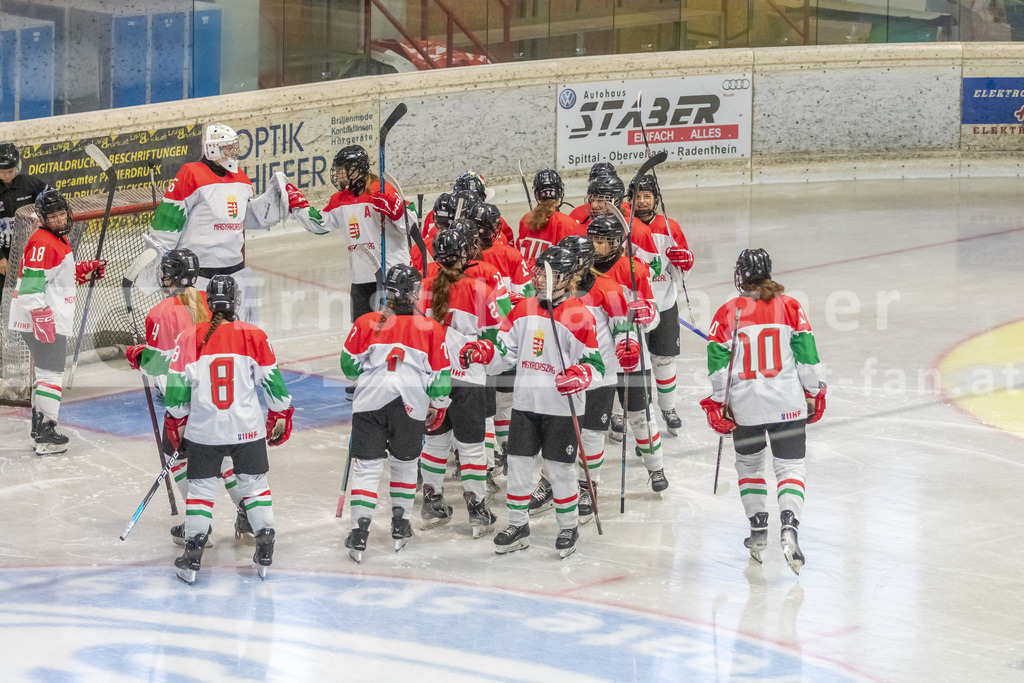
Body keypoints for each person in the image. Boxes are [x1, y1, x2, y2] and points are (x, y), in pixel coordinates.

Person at [461, 246, 604, 559]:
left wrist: (581, 374)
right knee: (519, 467)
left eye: (548, 272)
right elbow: (504, 354)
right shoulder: (522, 308)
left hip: (561, 409)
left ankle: (568, 526)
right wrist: (487, 354)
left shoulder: (579, 316)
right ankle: (518, 525)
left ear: (569, 277)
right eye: (538, 270)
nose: (539, 277)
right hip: (525, 404)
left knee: (560, 470)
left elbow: (596, 364)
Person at [700, 248, 826, 575]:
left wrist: (719, 401)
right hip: (787, 402)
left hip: (746, 406)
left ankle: (758, 528)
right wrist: (814, 391)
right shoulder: (790, 307)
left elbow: (718, 370)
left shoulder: (728, 312)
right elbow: (808, 359)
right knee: (790, 467)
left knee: (750, 465)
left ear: (740, 275)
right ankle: (789, 526)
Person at [164, 274, 294, 584]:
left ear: (208, 303)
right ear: (236, 303)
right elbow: (275, 388)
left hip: (204, 430)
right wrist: (280, 415)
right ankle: (264, 544)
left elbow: (175, 398)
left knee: (200, 492)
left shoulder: (188, 338)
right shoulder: (254, 335)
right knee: (255, 486)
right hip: (247, 429)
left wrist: (178, 422)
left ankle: (193, 554)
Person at [124, 248, 253, 545]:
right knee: (221, 456)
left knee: (177, 458)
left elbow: (158, 363)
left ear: (169, 275)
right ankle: (247, 511)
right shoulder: (212, 302)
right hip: (220, 395)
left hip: (183, 398)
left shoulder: (160, 312)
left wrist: (137, 355)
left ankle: (198, 527)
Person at [339, 264, 452, 562]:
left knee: (366, 468)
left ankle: (360, 529)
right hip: (411, 403)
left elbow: (348, 368)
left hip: (370, 402)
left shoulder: (366, 322)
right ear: (415, 293)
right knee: (404, 465)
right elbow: (441, 382)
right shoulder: (431, 327)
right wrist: (438, 408)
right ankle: (400, 525)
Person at [148, 123, 308, 323]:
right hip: (199, 275)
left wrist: (274, 205)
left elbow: (243, 217)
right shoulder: (191, 174)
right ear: (212, 148)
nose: (233, 152)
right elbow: (168, 220)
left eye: (234, 146)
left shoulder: (240, 178)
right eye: (228, 147)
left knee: (234, 335)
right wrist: (162, 265)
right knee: (200, 337)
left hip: (235, 272)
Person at [418, 229, 503, 537]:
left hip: (432, 380)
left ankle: (432, 505)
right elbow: (495, 338)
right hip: (468, 379)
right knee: (472, 448)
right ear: (466, 256)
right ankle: (478, 511)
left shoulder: (423, 288)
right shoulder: (480, 290)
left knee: (436, 444)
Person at [7, 189, 105, 455]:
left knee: (45, 374)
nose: (60, 219)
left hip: (45, 315)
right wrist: (41, 316)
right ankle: (46, 435)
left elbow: (55, 279)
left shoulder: (54, 239)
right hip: (42, 318)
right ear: (43, 218)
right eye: (53, 216)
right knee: (51, 374)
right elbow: (31, 287)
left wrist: (82, 271)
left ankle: (39, 431)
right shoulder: (43, 242)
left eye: (62, 213)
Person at [588, 215, 668, 491]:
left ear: (617, 242)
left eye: (603, 240)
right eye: (594, 239)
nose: (597, 245)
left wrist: (648, 316)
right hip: (596, 360)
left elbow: (652, 314)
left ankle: (655, 467)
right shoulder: (582, 271)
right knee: (591, 424)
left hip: (632, 355)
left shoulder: (634, 270)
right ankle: (586, 480)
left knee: (640, 415)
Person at [298, 144, 409, 322]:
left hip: (391, 274)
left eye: (342, 169)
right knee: (361, 332)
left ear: (356, 169)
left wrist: (397, 210)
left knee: (395, 331)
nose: (338, 174)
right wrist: (297, 207)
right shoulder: (339, 200)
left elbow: (409, 225)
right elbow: (318, 223)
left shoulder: (382, 189)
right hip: (361, 277)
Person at [628, 174, 694, 435]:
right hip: (634, 308)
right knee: (631, 364)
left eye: (647, 196)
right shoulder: (624, 226)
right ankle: (630, 415)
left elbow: (681, 271)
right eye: (637, 196)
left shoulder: (671, 227)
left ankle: (668, 407)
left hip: (664, 303)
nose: (642, 201)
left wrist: (685, 262)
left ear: (656, 199)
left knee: (664, 360)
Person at [0, 142, 50, 292]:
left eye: (10, 171)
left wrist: (42, 222)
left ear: (18, 167)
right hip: (4, 252)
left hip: (29, 248)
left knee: (30, 290)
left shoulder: (30, 183)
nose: (7, 176)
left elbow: (52, 200)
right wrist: (0, 257)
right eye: (2, 171)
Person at [516, 169, 579, 265]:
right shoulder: (566, 222)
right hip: (548, 278)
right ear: (560, 192)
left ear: (537, 194)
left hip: (525, 277)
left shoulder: (526, 219)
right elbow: (568, 262)